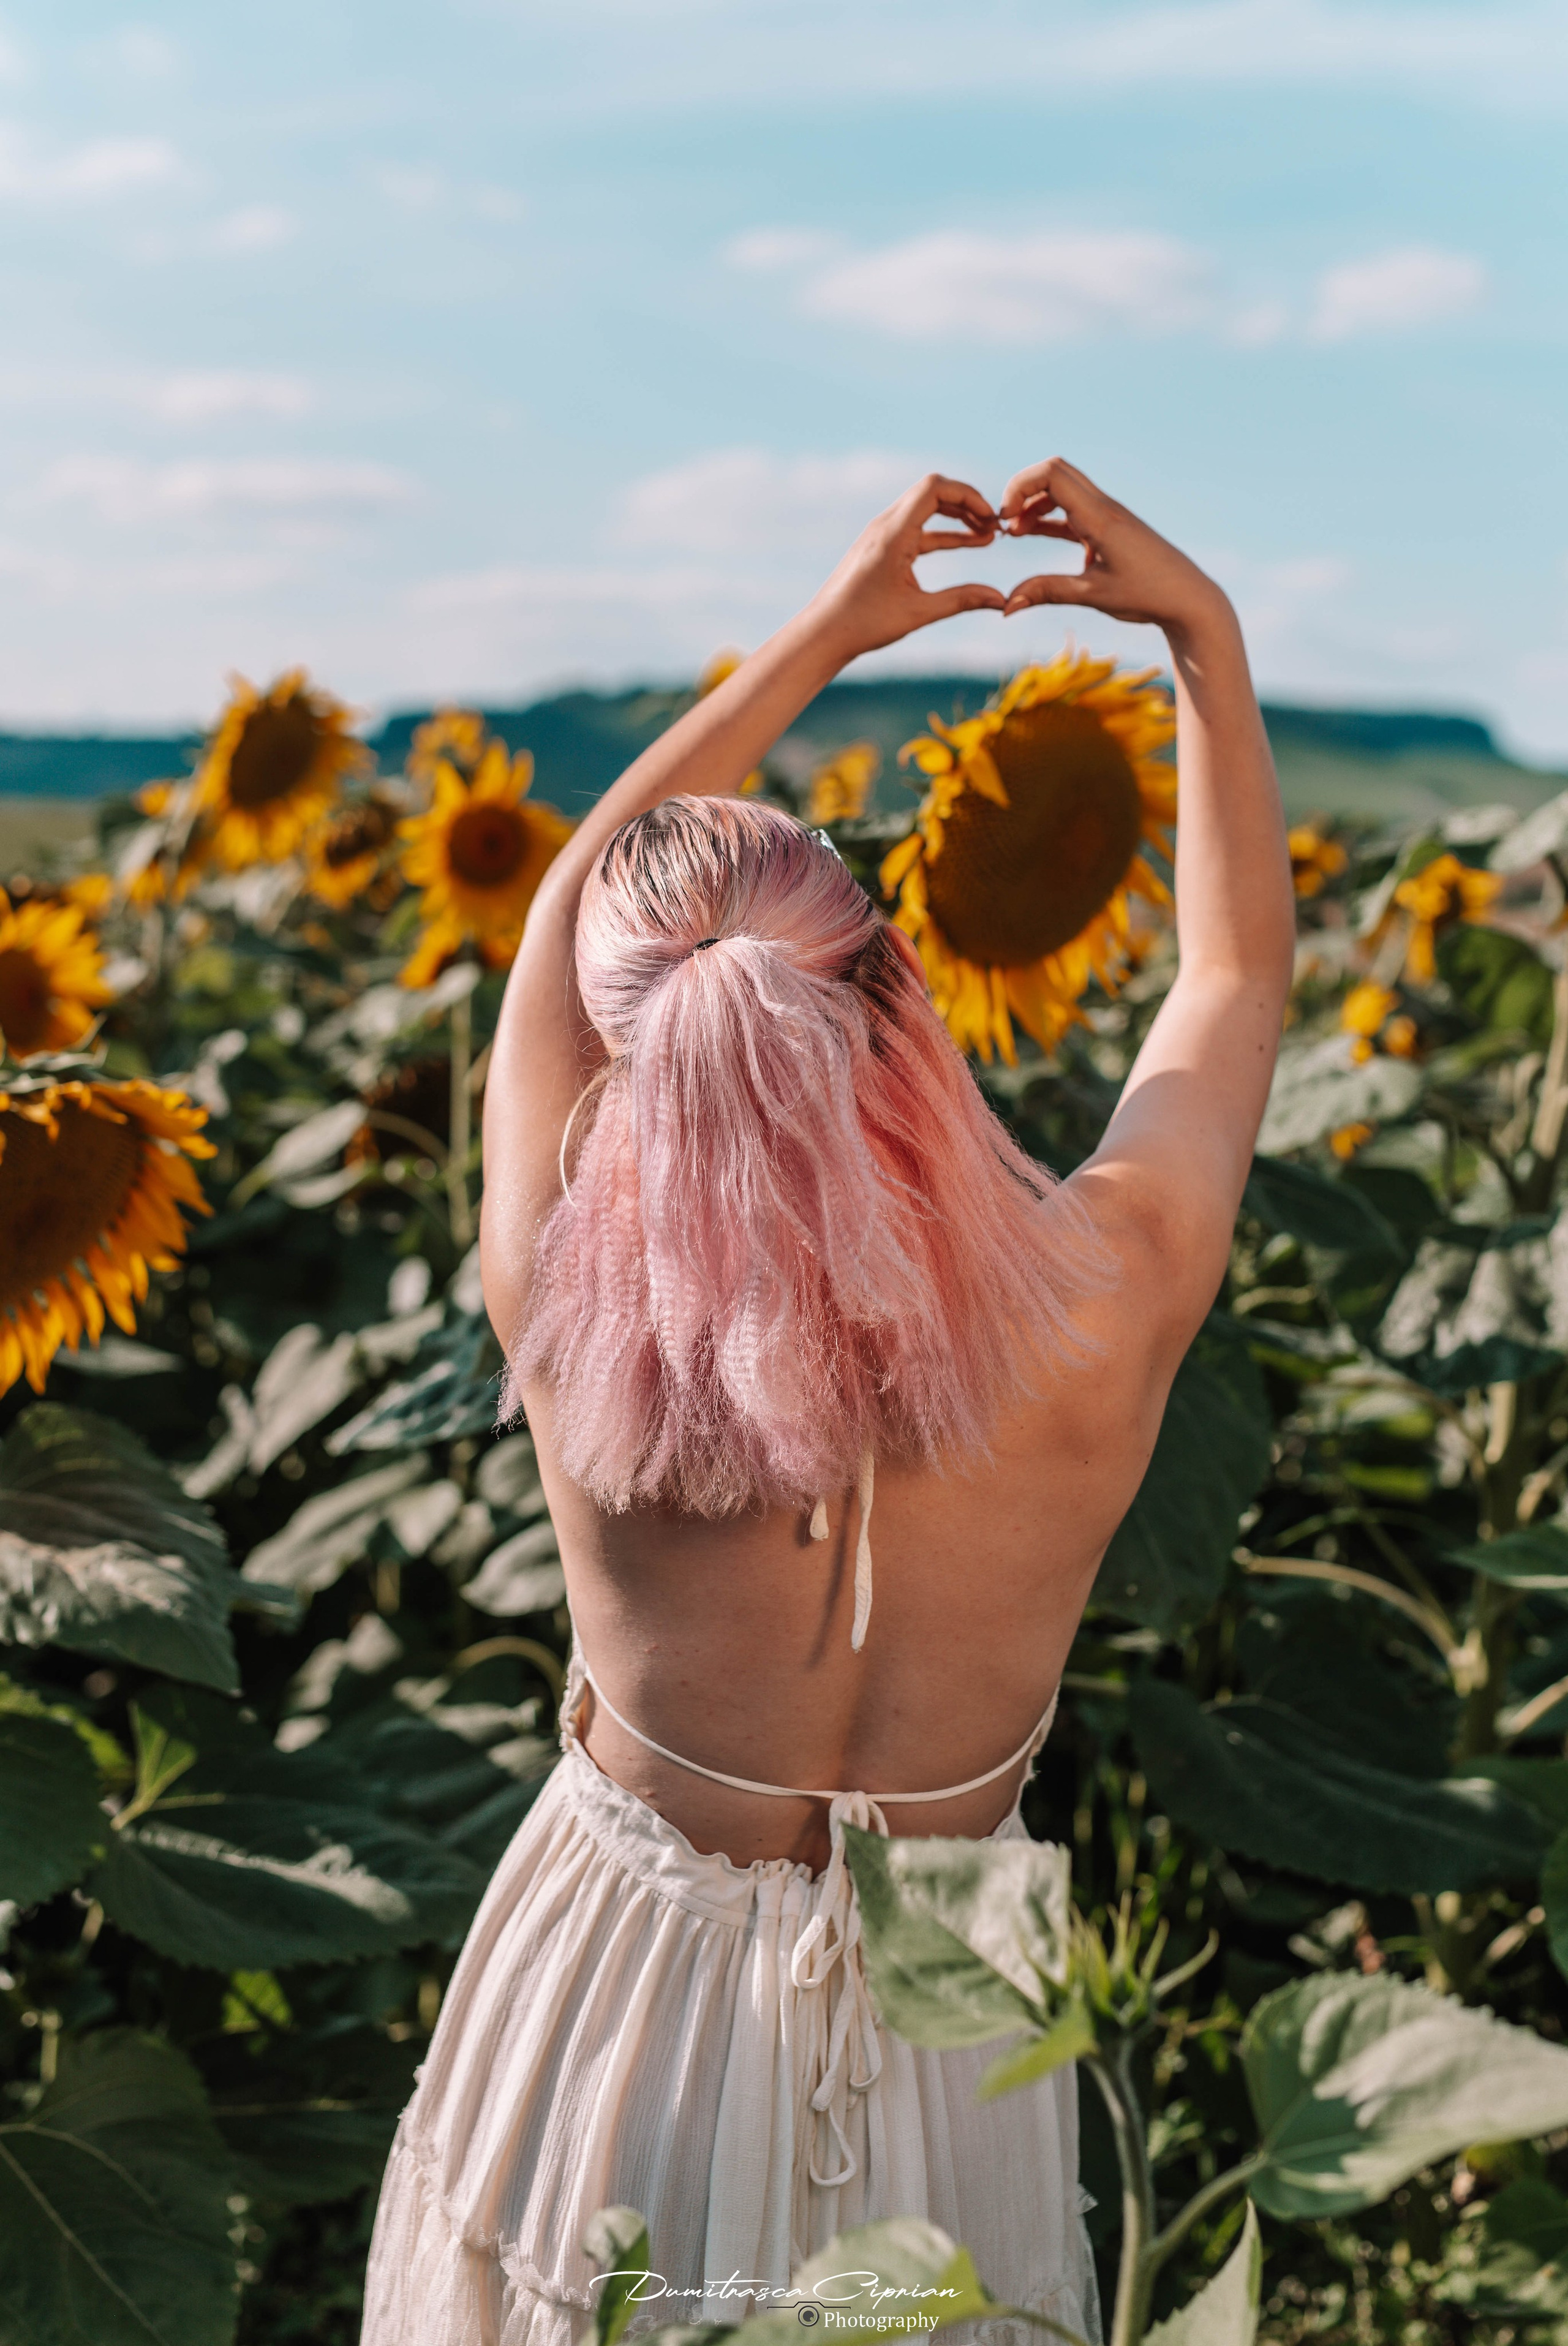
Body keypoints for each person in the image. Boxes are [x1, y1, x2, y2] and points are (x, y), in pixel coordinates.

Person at [360, 460, 1294, 2346]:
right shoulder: (1103, 1302)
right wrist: (1205, 637)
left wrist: (832, 624)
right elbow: (1233, 974)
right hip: (958, 2014)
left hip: (623, 1990)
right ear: (896, 996)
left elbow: (553, 928)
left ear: (637, 1044)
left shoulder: (561, 1301)